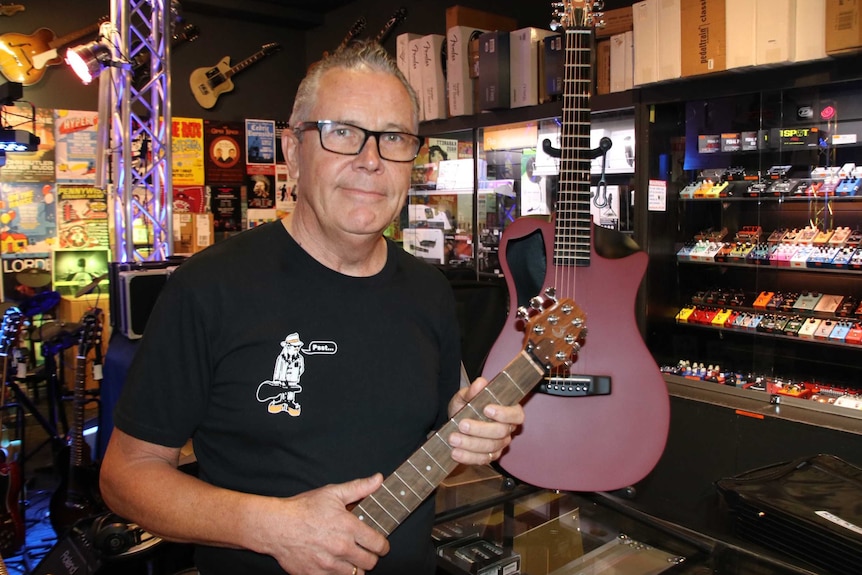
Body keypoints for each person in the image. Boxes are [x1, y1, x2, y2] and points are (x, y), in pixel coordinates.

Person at [99, 40, 524, 575]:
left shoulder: (430, 291)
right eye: (341, 132)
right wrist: (272, 527)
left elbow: (438, 440)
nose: (370, 160)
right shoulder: (208, 288)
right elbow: (126, 476)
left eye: (393, 137)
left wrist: (472, 435)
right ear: (291, 151)